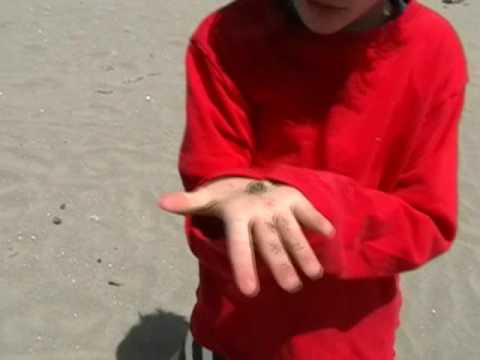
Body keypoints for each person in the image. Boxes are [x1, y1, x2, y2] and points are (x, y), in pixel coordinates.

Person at [158, 0, 468, 358]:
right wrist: (224, 201)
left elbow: (427, 221)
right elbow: (211, 190)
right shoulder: (223, 37)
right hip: (230, 331)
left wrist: (311, 203)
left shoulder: (433, 51)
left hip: (347, 341)